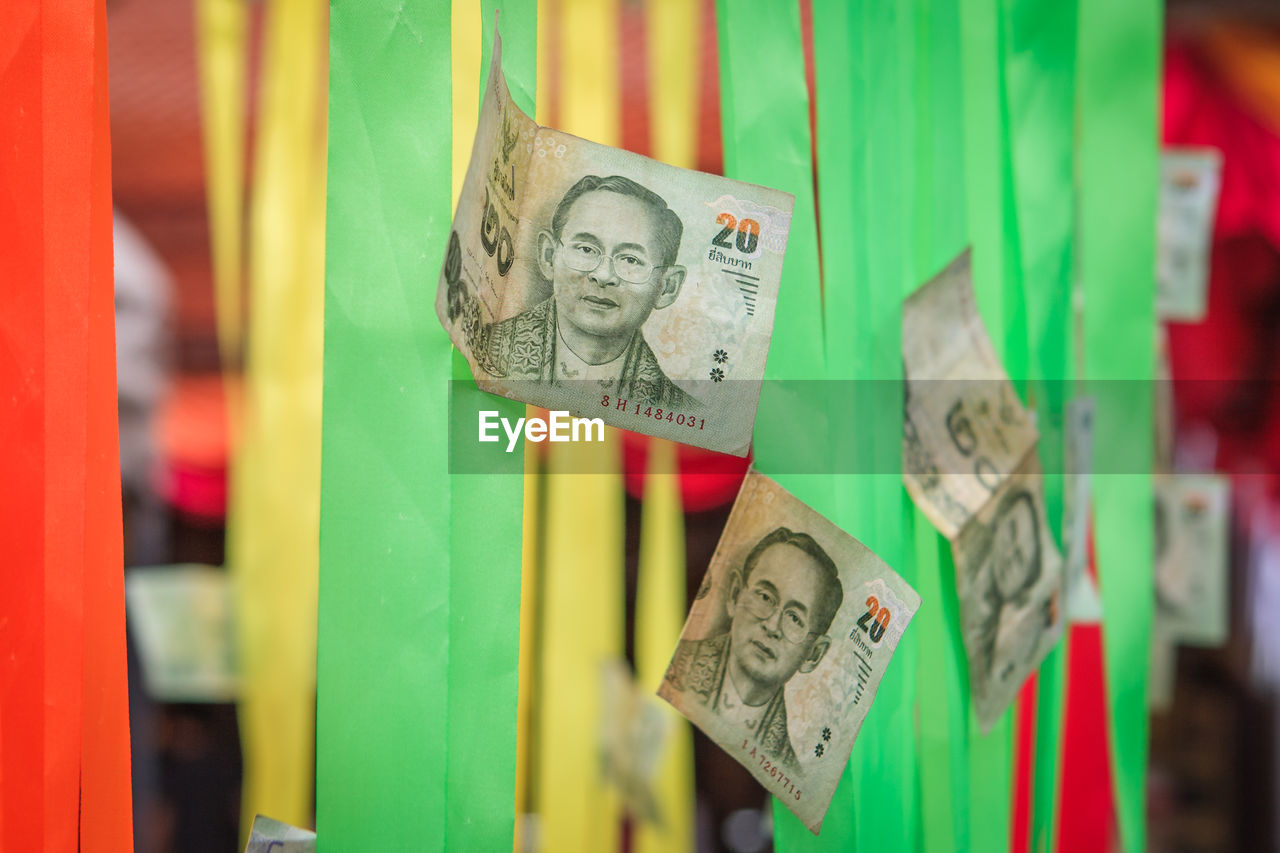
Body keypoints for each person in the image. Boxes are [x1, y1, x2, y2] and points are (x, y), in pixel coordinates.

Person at [472, 174, 695, 407]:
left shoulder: (676, 409)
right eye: (586, 249)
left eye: (630, 260)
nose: (603, 276)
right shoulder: (485, 353)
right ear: (548, 256)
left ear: (667, 287)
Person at [664, 527, 844, 770]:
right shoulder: (666, 666)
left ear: (813, 654)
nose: (772, 626)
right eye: (765, 597)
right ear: (735, 595)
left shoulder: (787, 766)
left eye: (794, 618)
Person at [964, 488, 1053, 690]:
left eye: (1021, 559)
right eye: (1012, 530)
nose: (1010, 556)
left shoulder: (1000, 639)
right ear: (999, 520)